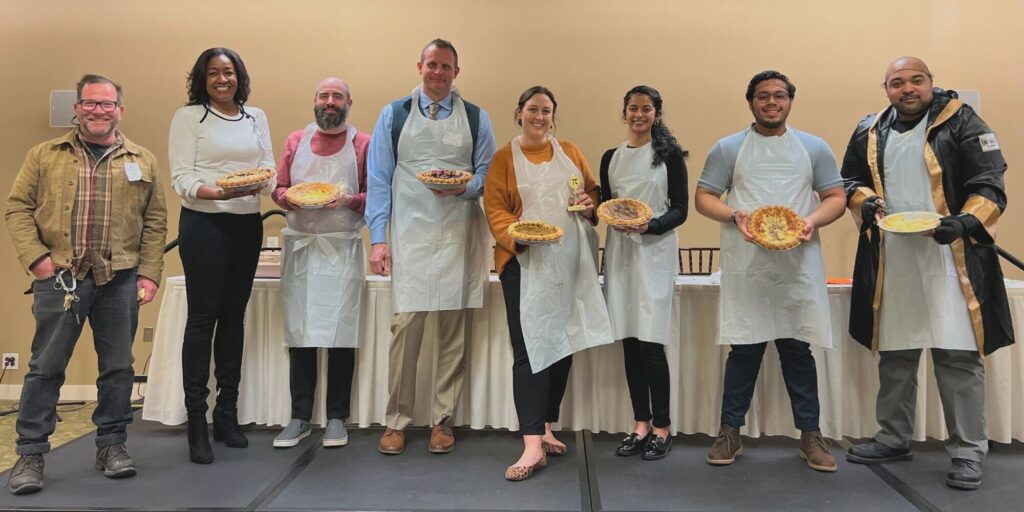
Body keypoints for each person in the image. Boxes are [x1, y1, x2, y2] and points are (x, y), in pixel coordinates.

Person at [842, 56, 1013, 490]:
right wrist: (864, 203)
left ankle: (968, 450)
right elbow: (848, 181)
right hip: (894, 256)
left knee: (957, 355)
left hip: (951, 258)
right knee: (896, 355)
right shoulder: (869, 128)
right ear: (886, 89)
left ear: (931, 83)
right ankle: (893, 436)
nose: (907, 89)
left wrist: (965, 222)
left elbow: (990, 181)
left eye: (916, 80)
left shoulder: (963, 121)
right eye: (897, 83)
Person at [5, 74, 167, 495]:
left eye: (107, 104)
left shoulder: (142, 159)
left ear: (120, 110)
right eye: (91, 104)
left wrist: (150, 273)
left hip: (121, 278)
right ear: (77, 108)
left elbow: (155, 222)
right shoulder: (45, 155)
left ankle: (111, 446)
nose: (99, 111)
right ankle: (31, 453)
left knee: (118, 368)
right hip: (60, 278)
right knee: (45, 368)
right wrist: (36, 259)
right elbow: (18, 208)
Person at [694, 70, 846, 472]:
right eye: (763, 96)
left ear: (790, 102)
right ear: (751, 102)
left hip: (798, 263)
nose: (772, 102)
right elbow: (704, 197)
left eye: (779, 96)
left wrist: (812, 221)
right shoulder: (728, 148)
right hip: (748, 264)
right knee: (744, 348)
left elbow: (835, 196)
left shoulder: (813, 147)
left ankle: (810, 434)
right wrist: (734, 215)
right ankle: (730, 432)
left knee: (799, 349)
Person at [366, 38, 496, 455]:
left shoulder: (476, 118)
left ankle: (443, 419)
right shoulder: (394, 115)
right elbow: (379, 180)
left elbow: (487, 175)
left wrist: (465, 187)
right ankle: (397, 420)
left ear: (456, 73)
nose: (438, 73)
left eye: (446, 67)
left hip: (459, 231)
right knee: (405, 331)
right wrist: (379, 239)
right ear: (419, 66)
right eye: (432, 65)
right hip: (411, 235)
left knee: (452, 333)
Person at [484, 86, 614, 481]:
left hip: (569, 263)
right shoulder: (504, 158)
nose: (540, 117)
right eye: (533, 109)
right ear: (519, 113)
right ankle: (530, 445)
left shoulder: (570, 152)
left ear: (553, 117)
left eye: (547, 111)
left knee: (563, 344)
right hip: (523, 263)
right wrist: (518, 237)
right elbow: (495, 209)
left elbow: (590, 193)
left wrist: (591, 206)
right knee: (529, 350)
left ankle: (546, 425)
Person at [168, 47, 275, 464]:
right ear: (202, 78)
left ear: (239, 76)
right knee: (202, 319)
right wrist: (218, 192)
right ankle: (196, 421)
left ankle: (226, 414)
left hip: (247, 223)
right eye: (213, 73)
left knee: (234, 318)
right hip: (204, 225)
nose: (221, 79)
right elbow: (182, 176)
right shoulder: (188, 117)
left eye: (228, 72)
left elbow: (267, 167)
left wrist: (258, 186)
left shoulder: (256, 117)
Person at [270, 77, 369, 449]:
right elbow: (280, 188)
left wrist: (346, 201)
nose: (331, 101)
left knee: (341, 333)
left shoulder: (363, 143)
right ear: (314, 101)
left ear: (349, 102)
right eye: (324, 95)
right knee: (301, 332)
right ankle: (299, 416)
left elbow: (372, 195)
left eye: (338, 96)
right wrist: (290, 200)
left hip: (341, 246)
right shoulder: (296, 141)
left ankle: (336, 417)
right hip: (301, 248)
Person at [600, 85, 688, 460]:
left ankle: (663, 426)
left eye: (646, 109)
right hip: (619, 252)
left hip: (654, 252)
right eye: (633, 108)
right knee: (630, 341)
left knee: (652, 342)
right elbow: (607, 205)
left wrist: (648, 226)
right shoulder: (610, 158)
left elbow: (681, 209)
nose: (639, 114)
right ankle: (639, 423)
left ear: (656, 114)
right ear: (624, 113)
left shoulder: (668, 157)